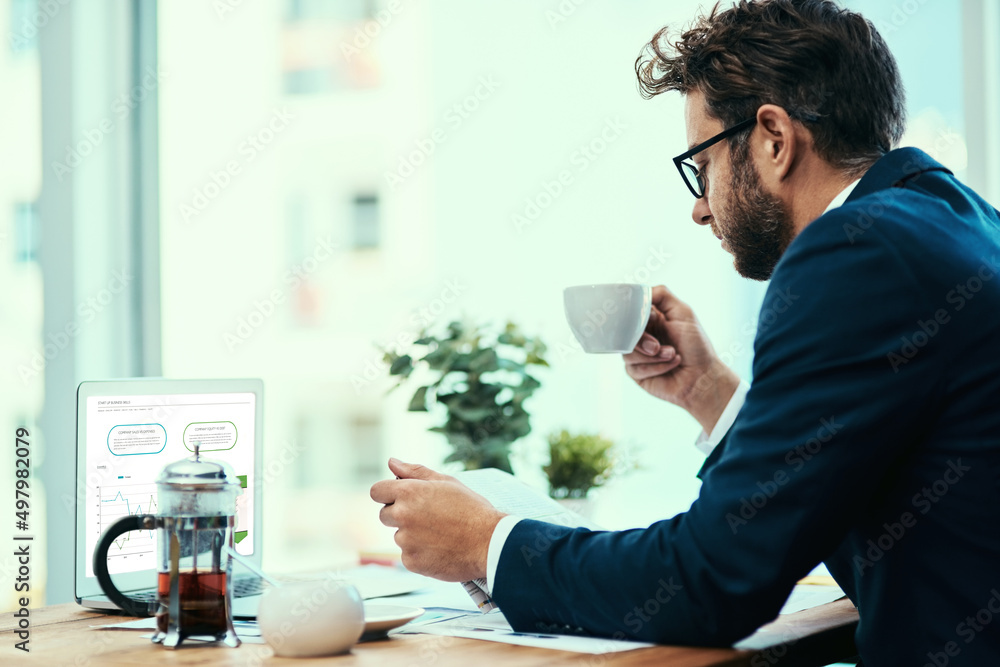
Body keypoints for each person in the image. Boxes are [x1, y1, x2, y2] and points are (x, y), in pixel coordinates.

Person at [370, 1, 1000, 664]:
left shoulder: (851, 250)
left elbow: (714, 579)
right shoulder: (953, 220)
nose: (700, 207)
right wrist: (709, 391)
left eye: (701, 167)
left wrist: (489, 543)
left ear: (774, 140)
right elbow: (858, 506)